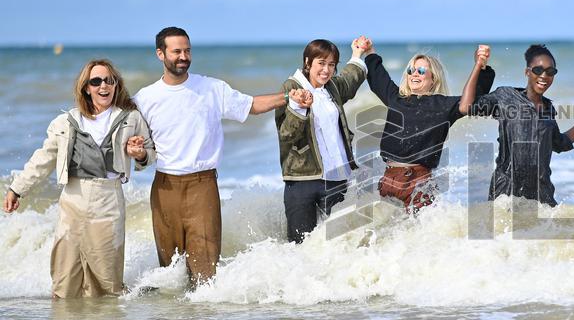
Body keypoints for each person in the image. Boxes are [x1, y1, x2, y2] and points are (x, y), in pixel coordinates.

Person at [134, 26, 310, 283]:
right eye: (176, 51)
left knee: (205, 271)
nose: (183, 56)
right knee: (170, 273)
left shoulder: (211, 88)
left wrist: (287, 97)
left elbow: (251, 105)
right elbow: (132, 141)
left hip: (202, 185)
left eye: (187, 50)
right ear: (160, 54)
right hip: (164, 188)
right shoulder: (145, 98)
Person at [4, 59, 155, 298]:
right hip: (72, 201)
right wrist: (17, 189)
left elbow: (150, 153)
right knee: (64, 281)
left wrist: (140, 153)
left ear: (116, 85)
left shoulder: (131, 118)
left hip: (109, 200)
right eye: (96, 81)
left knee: (107, 283)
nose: (103, 86)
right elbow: (43, 159)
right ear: (86, 87)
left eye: (109, 80)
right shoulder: (66, 121)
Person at [362, 39, 495, 210]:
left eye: (421, 70)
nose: (414, 74)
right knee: (387, 232)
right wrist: (369, 51)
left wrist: (481, 67)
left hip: (420, 183)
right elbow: (378, 77)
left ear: (433, 78)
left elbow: (472, 100)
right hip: (389, 180)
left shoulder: (443, 106)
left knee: (420, 232)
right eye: (411, 70)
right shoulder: (396, 98)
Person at [467, 44, 574, 206]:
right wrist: (480, 66)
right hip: (505, 193)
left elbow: (560, 143)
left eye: (550, 72)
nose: (544, 76)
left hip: (542, 196)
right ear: (527, 72)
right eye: (537, 70)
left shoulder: (548, 109)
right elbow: (468, 107)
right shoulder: (505, 96)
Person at [275, 37, 369, 242]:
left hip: (337, 177)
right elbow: (286, 134)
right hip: (303, 181)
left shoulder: (332, 87)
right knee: (301, 247)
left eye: (332, 65)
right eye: (321, 63)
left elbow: (349, 80)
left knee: (343, 242)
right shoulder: (292, 87)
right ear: (308, 62)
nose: (326, 70)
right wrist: (300, 106)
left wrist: (357, 53)